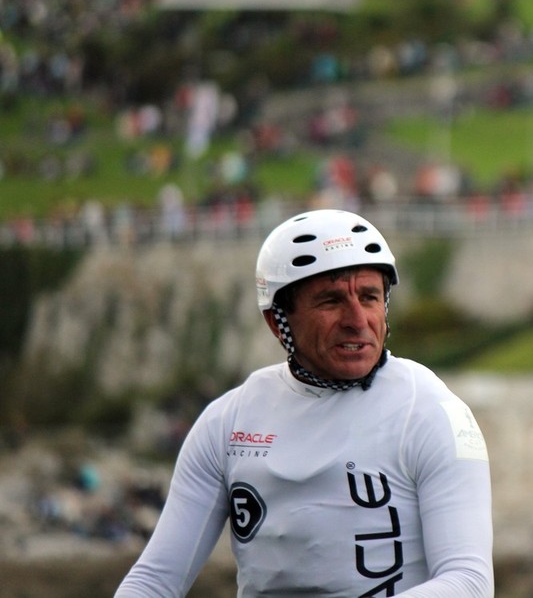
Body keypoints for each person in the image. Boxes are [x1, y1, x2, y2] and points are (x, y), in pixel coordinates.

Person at [116, 209, 494, 597]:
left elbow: (468, 583)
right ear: (276, 321)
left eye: (369, 297)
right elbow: (154, 582)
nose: (357, 319)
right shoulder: (227, 423)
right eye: (331, 301)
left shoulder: (432, 412)